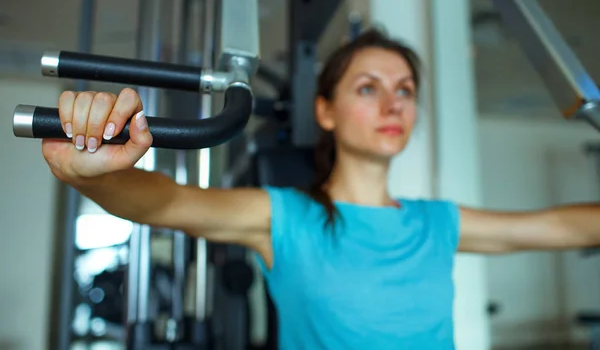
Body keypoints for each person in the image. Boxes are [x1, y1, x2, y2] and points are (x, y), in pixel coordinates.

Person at [42, 29, 600, 349]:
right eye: (368, 88)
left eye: (405, 90)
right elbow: (165, 202)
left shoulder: (437, 223)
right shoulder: (286, 217)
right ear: (325, 111)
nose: (393, 104)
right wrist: (99, 172)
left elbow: (559, 225)